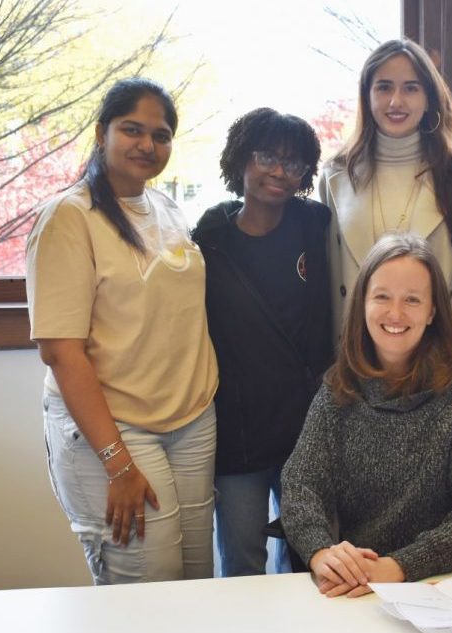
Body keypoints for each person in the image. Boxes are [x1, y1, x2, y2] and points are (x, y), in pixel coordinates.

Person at [26, 78, 218, 584]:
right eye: (132, 130)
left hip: (192, 419)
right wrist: (117, 463)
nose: (147, 145)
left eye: (161, 135)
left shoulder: (168, 209)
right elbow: (60, 352)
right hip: (115, 429)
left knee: (198, 579)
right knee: (149, 593)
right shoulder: (70, 218)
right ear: (101, 133)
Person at [280, 233, 452, 597]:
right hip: (361, 581)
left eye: (412, 300)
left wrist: (399, 566)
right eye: (382, 297)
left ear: (433, 311)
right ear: (362, 303)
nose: (395, 314)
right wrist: (321, 552)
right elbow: (300, 484)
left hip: (447, 585)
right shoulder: (341, 387)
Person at [191, 108, 332, 577]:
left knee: (307, 557)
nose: (279, 171)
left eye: (293, 163)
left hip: (305, 427)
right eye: (268, 156)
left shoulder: (315, 225)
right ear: (241, 159)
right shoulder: (210, 239)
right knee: (241, 560)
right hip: (239, 431)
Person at [320, 39, 452, 342]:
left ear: (429, 97)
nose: (396, 101)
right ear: (366, 96)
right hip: (357, 355)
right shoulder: (335, 175)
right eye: (383, 87)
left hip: (442, 356)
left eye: (410, 88)